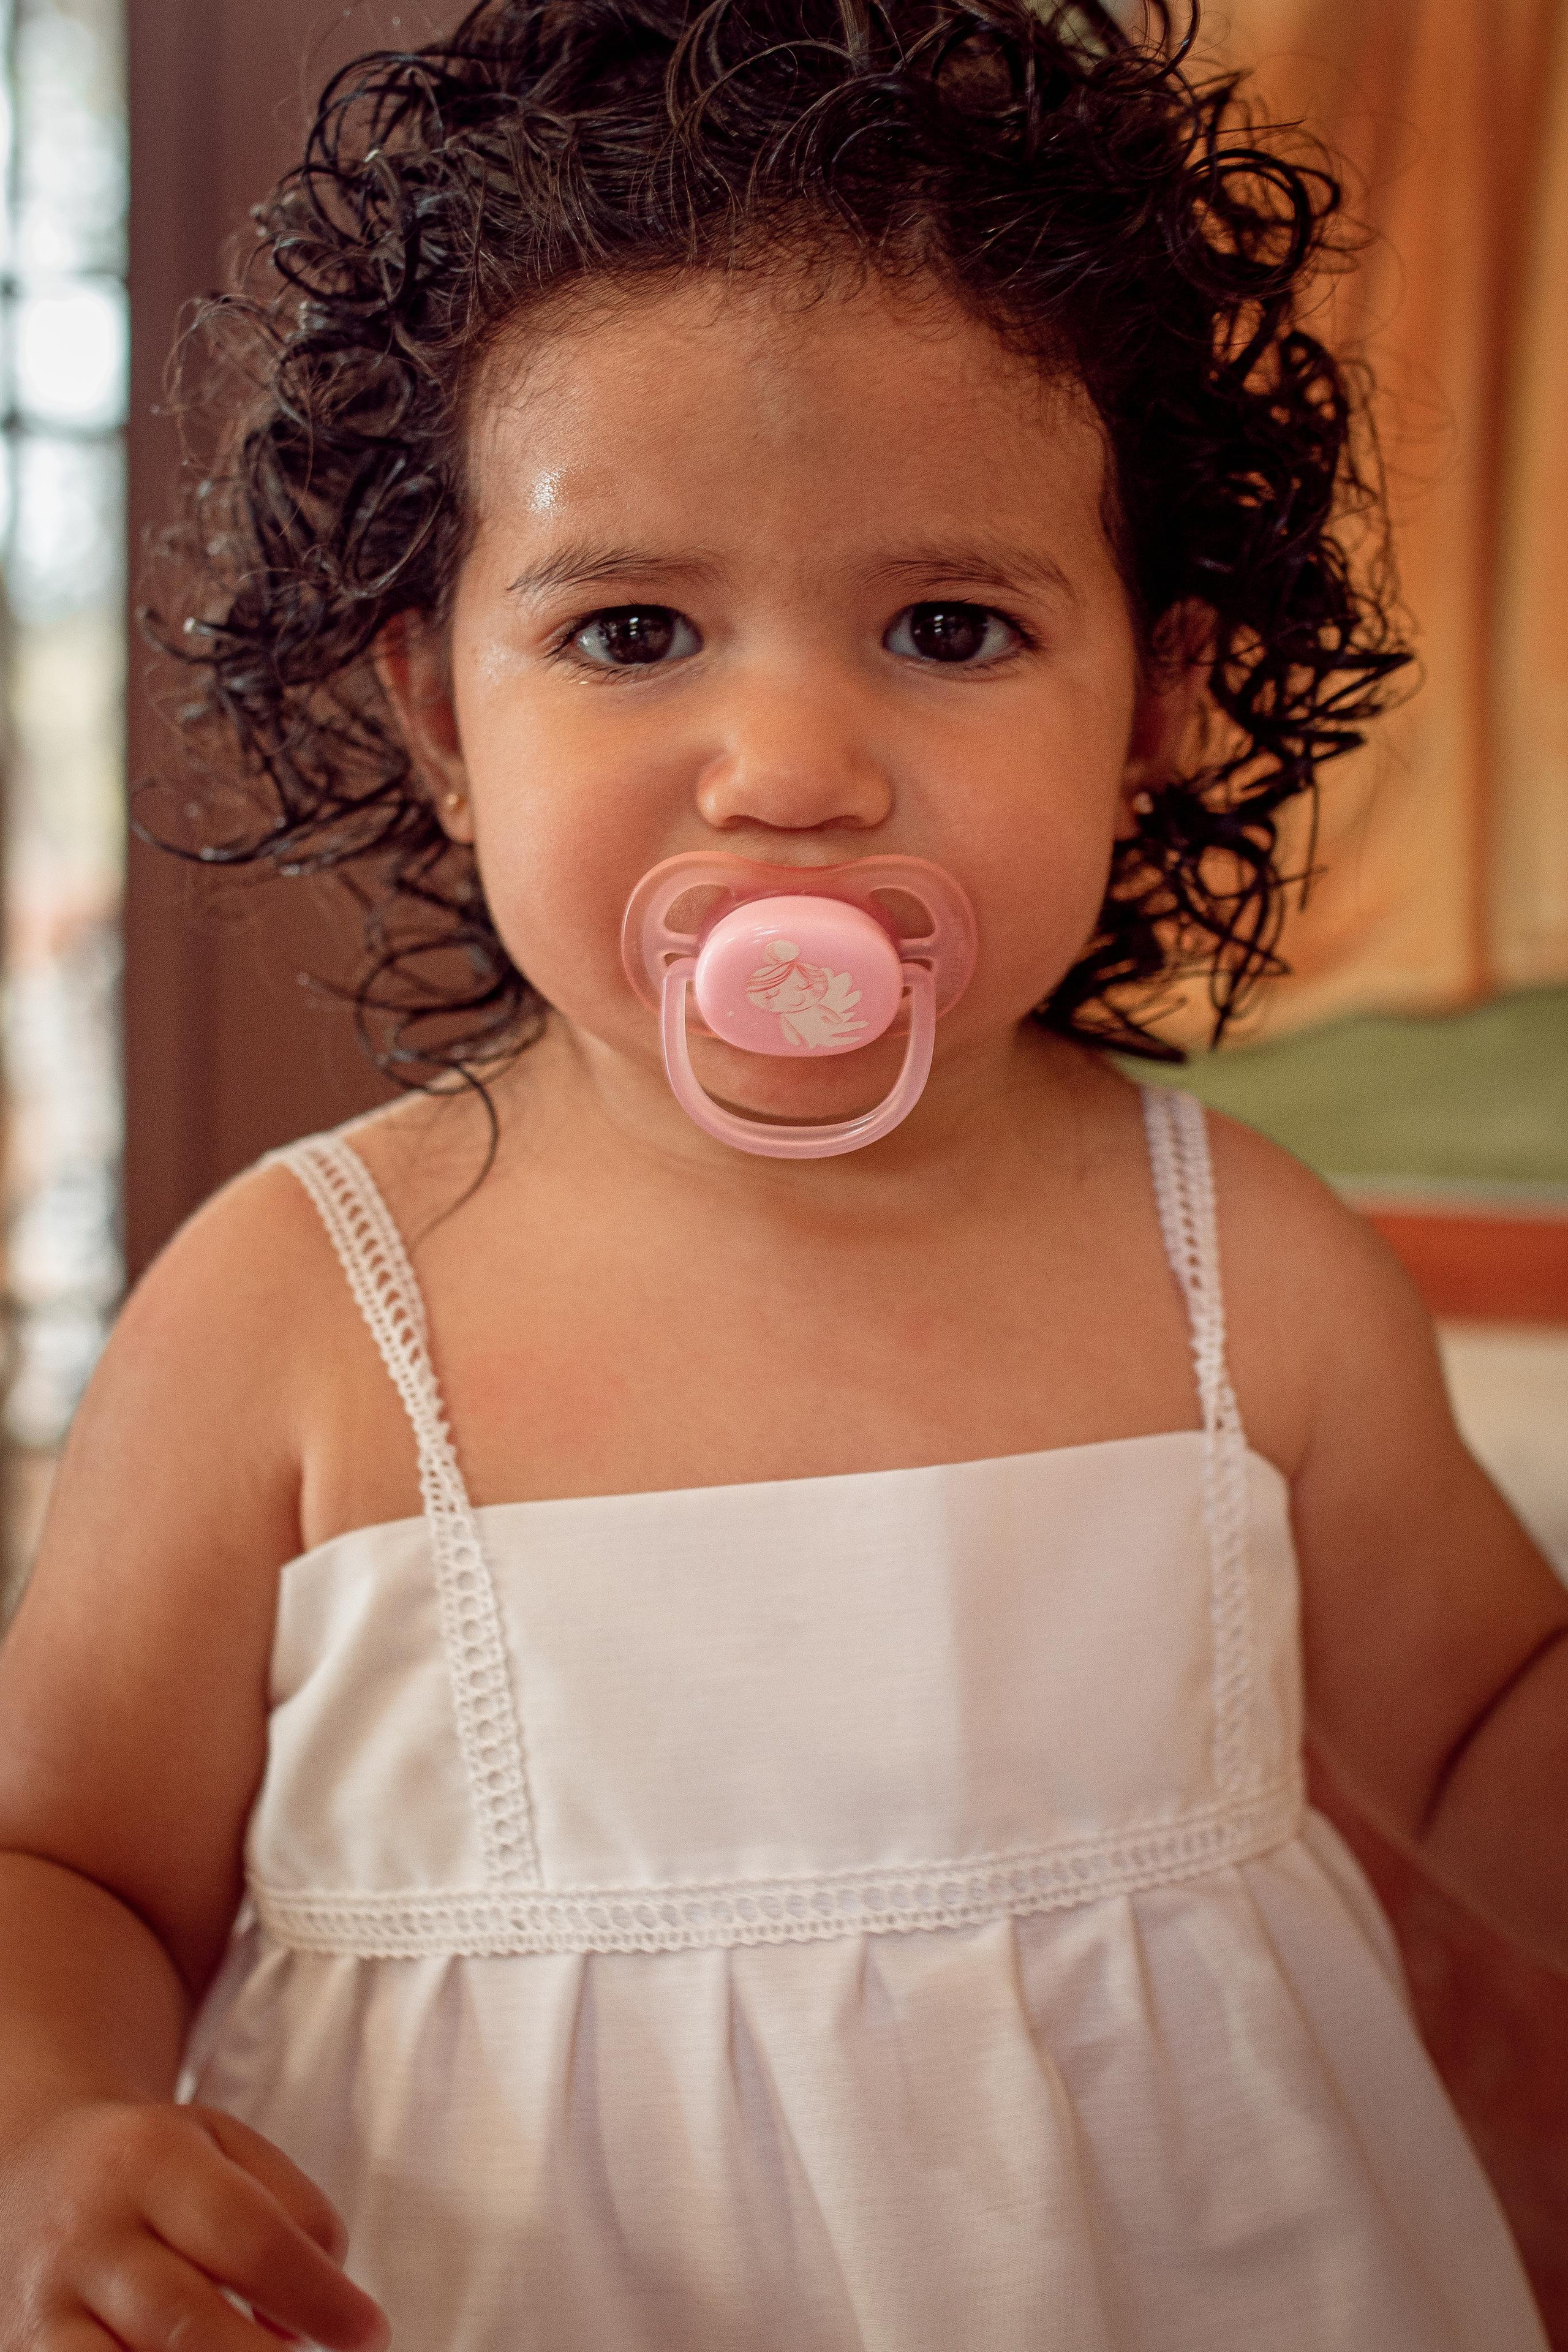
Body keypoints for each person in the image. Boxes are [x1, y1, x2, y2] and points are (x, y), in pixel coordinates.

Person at [0, 2, 1561, 2345]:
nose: (794, 768)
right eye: (632, 630)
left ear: (1155, 702)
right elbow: (65, 1865)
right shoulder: (307, 1308)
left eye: (951, 627)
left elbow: (1483, 1726)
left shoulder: (1238, 1258)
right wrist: (47, 2136)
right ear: (442, 713)